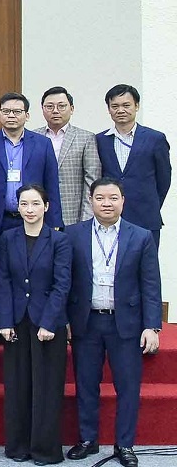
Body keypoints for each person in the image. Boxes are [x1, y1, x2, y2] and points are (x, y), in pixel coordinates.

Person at [66, 178, 162, 467]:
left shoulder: (141, 236)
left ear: (123, 201)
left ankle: (125, 444)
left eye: (112, 198)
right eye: (100, 198)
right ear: (91, 201)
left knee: (128, 386)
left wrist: (152, 326)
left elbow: (151, 284)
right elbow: (65, 281)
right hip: (86, 321)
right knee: (86, 384)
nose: (106, 203)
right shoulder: (73, 234)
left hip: (126, 323)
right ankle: (88, 439)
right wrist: (63, 320)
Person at [0, 184, 71, 465]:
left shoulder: (59, 240)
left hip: (48, 323)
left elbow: (62, 285)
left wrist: (49, 322)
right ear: (18, 207)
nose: (29, 209)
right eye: (24, 204)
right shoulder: (8, 238)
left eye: (35, 204)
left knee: (47, 387)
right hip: (16, 321)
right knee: (18, 385)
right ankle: (18, 446)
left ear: (46, 207)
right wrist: (5, 320)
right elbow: (3, 279)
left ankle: (45, 450)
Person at [0, 93, 62, 348]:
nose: (11, 116)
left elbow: (52, 184)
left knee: (30, 272)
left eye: (17, 111)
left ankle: (31, 322)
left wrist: (54, 222)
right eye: (6, 111)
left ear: (27, 115)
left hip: (32, 220)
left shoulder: (42, 144)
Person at [96, 84, 171, 247]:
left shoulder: (155, 139)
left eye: (126, 105)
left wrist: (150, 204)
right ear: (108, 109)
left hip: (146, 217)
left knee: (146, 262)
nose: (120, 110)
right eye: (115, 106)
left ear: (136, 106)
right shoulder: (100, 140)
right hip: (110, 218)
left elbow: (164, 180)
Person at [34, 86, 100, 225]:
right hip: (38, 212)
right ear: (42, 109)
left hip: (72, 213)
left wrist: (86, 219)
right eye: (49, 106)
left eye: (61, 106)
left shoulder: (86, 138)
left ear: (72, 109)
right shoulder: (33, 137)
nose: (55, 110)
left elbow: (92, 180)